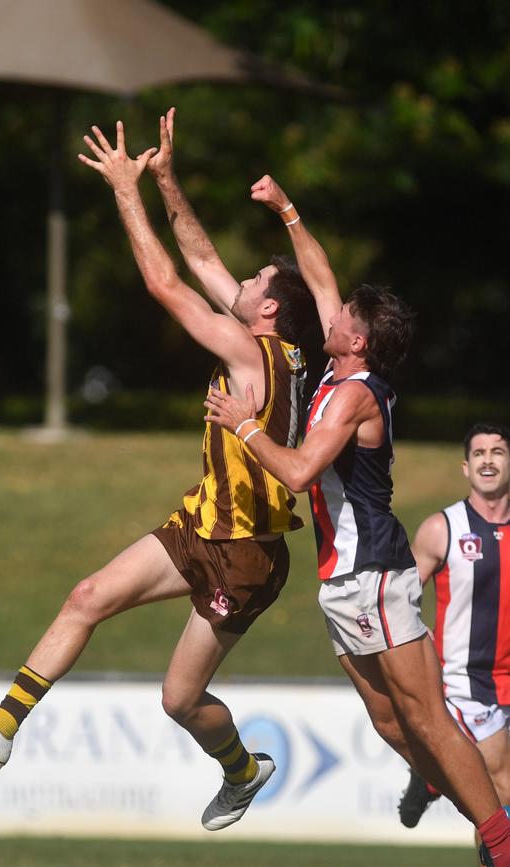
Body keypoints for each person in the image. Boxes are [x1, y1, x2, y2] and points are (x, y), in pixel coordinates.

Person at [0, 111, 317, 832]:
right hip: (202, 521)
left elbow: (168, 283)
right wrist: (167, 181)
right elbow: (201, 263)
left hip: (246, 557)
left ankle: (242, 770)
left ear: (269, 308)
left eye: (256, 276)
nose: (241, 275)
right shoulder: (273, 349)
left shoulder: (247, 352)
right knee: (87, 595)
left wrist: (124, 191)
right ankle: (2, 728)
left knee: (179, 700)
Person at [203, 175, 510, 864]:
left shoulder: (354, 394)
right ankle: (472, 806)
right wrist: (285, 209)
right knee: (387, 719)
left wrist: (245, 426)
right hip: (344, 579)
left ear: (359, 339)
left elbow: (301, 470)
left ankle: (500, 836)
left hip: (374, 572)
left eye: (343, 315)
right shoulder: (338, 371)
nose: (331, 313)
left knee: (426, 718)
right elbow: (317, 274)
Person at [397, 423, 510, 855]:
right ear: (466, 467)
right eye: (479, 453)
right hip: (466, 681)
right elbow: (398, 596)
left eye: (497, 451)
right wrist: (416, 632)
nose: (488, 460)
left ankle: (429, 778)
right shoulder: (442, 528)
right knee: (499, 788)